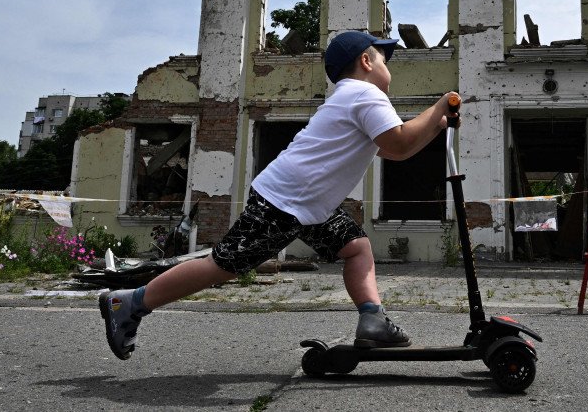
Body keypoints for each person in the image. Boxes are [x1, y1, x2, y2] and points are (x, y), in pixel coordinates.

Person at [99, 30, 459, 360]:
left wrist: (435, 125)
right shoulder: (367, 95)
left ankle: (373, 320)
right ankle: (128, 302)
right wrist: (441, 105)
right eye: (383, 59)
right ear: (366, 61)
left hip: (308, 205)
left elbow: (395, 150)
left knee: (356, 246)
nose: (386, 67)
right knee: (222, 267)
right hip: (285, 201)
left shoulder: (350, 98)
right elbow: (398, 142)